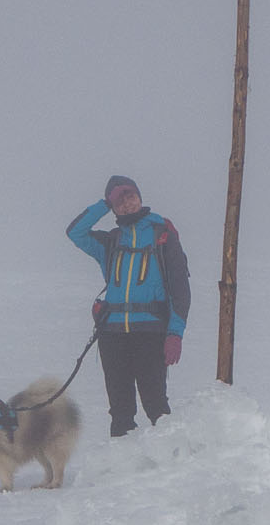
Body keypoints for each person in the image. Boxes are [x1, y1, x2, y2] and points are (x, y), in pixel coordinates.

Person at [66, 176, 191, 436]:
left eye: (130, 195)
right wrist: (103, 203)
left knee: (155, 405)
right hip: (112, 335)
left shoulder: (162, 234)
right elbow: (75, 232)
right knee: (120, 410)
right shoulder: (110, 242)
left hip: (150, 333)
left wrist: (175, 333)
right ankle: (122, 471)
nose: (126, 203)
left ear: (140, 197)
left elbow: (180, 288)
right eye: (119, 200)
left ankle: (174, 467)